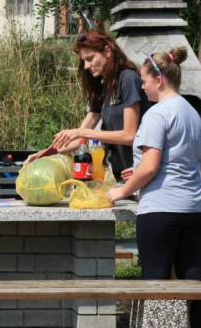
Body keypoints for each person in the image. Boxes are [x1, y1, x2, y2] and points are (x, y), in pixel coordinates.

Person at [107, 47, 201, 326]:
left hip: (160, 210)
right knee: (194, 283)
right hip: (194, 208)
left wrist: (122, 190)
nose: (143, 87)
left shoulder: (157, 114)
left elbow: (150, 167)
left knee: (156, 284)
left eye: (145, 81)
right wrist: (139, 171)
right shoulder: (193, 113)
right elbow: (181, 160)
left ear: (158, 81)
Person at [25, 30, 150, 181]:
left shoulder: (128, 79)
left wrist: (81, 132)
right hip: (122, 174)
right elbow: (80, 137)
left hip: (140, 174)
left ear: (107, 51)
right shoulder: (105, 85)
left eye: (90, 59)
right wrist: (44, 153)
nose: (85, 66)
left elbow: (129, 135)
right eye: (84, 60)